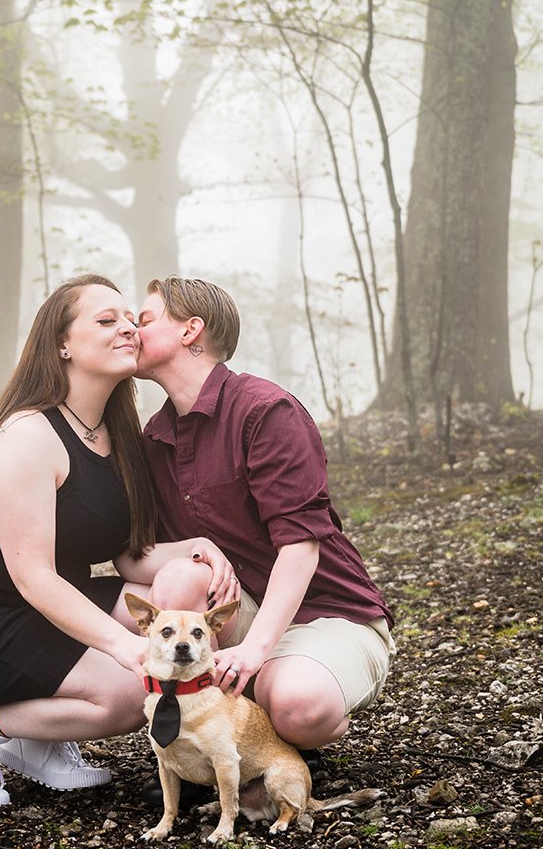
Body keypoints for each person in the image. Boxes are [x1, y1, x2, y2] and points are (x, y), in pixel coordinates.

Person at [0, 274, 240, 811]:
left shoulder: (120, 432)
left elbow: (129, 555)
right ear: (61, 343)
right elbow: (33, 576)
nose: (127, 327)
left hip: (41, 607)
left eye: (130, 319)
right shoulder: (28, 434)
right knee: (132, 693)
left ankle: (38, 743)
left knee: (183, 589)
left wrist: (197, 547)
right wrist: (126, 647)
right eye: (106, 321)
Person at [134, 275, 395, 767]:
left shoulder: (265, 411)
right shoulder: (155, 439)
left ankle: (279, 727)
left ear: (192, 330)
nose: (133, 329)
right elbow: (138, 552)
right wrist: (194, 544)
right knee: (179, 575)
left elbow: (301, 546)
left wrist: (254, 651)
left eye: (146, 319)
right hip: (240, 614)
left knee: (298, 707)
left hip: (330, 615)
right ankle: (198, 754)